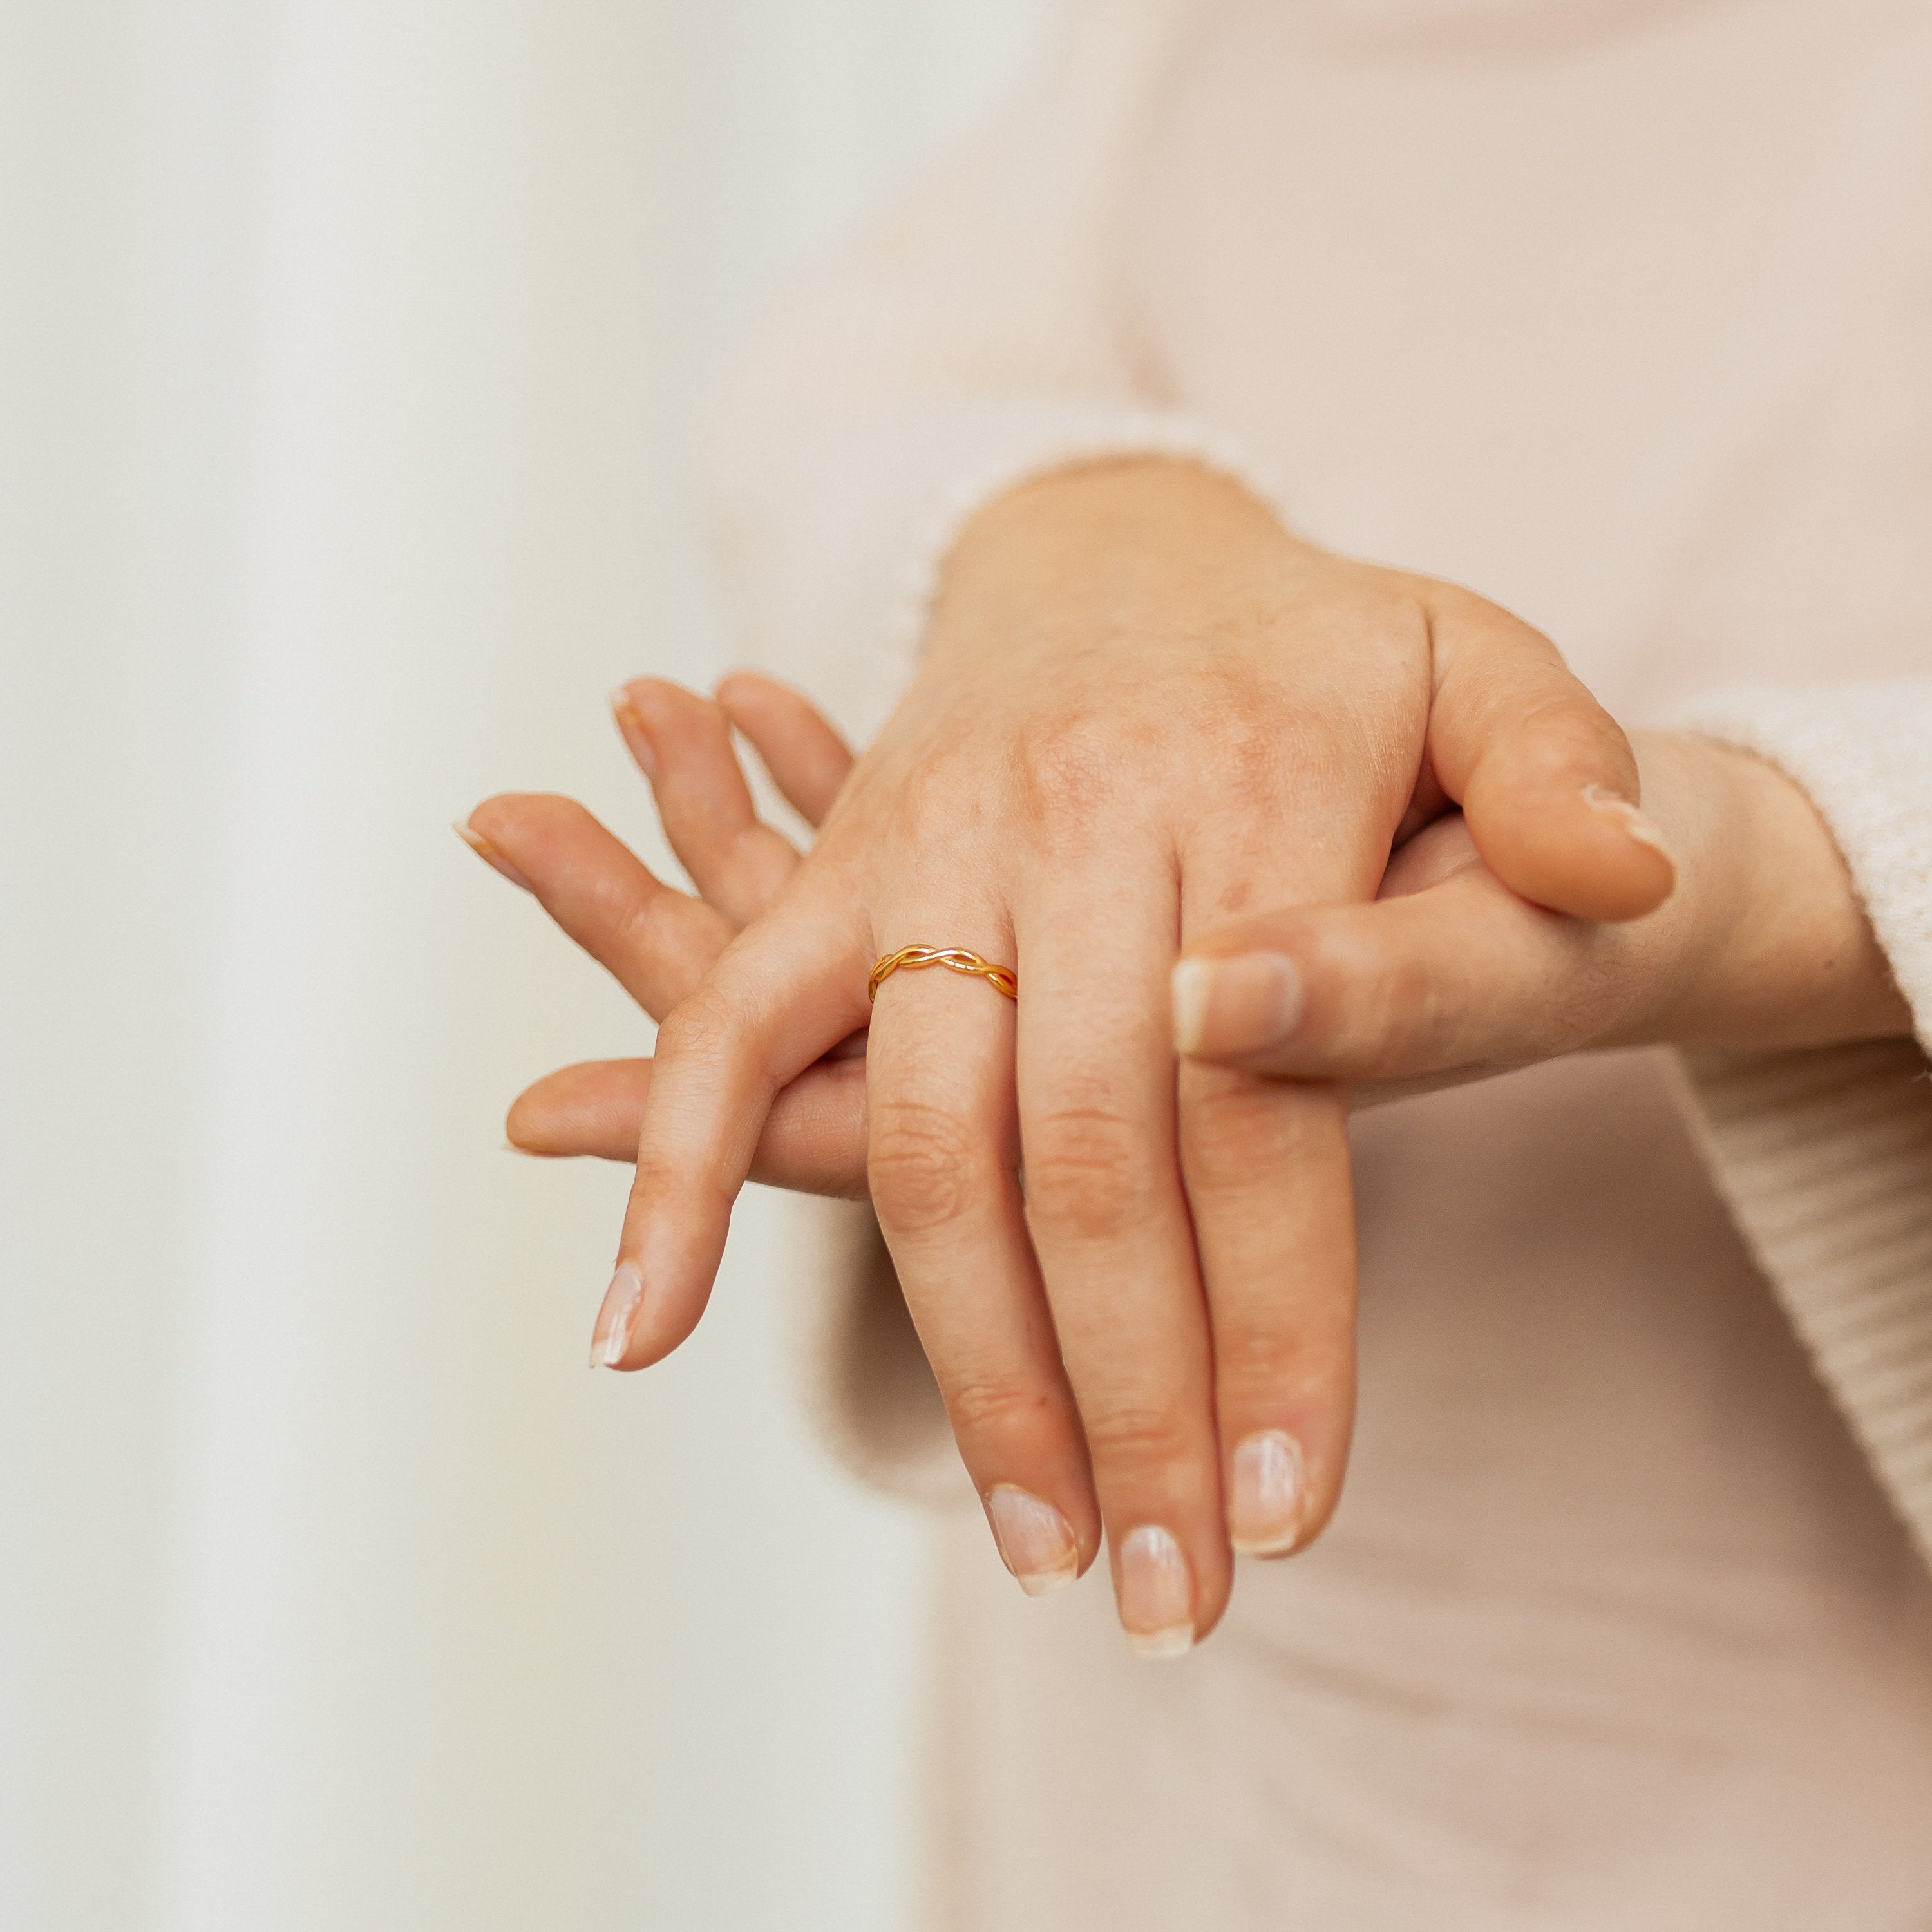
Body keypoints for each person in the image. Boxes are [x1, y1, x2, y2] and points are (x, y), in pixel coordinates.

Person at [458, 0, 1932, 1920]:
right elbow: (866, 370)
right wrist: (1084, 535)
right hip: (1216, 1777)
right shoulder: (1177, 54)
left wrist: (1777, 864)